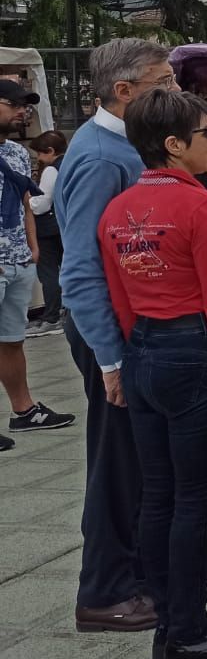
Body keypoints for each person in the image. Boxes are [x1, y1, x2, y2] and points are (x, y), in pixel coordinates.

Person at [98, 88, 207, 659]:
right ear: (173, 145)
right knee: (193, 497)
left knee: (160, 496)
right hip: (195, 354)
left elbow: (120, 298)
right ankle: (189, 635)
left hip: (143, 350)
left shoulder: (117, 210)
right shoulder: (204, 209)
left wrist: (121, 364)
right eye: (205, 134)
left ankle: (174, 619)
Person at [57, 39, 178, 633]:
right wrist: (110, 359)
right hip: (111, 333)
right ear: (124, 92)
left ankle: (134, 578)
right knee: (117, 463)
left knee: (137, 460)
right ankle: (104, 590)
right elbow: (79, 268)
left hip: (127, 329)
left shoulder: (123, 145)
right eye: (163, 81)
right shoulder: (104, 156)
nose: (174, 90)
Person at [0, 79, 73, 449]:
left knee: (12, 340)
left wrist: (31, 246)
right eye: (13, 104)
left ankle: (24, 411)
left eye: (25, 105)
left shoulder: (15, 153)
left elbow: (24, 202)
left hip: (16, 261)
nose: (22, 111)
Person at [26, 129, 67, 336]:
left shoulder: (51, 170)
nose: (39, 159)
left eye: (40, 154)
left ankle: (51, 317)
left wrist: (26, 203)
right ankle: (65, 312)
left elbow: (42, 203)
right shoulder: (70, 164)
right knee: (64, 268)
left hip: (47, 228)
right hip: (62, 225)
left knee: (49, 272)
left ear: (50, 151)